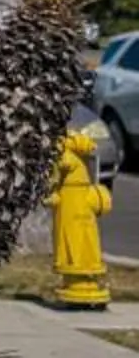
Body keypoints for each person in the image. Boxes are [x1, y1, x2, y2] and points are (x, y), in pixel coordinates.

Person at [52, 129, 113, 310]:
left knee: (77, 237)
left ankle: (80, 276)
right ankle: (81, 277)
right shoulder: (75, 159)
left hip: (74, 199)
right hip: (78, 198)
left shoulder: (66, 158)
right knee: (85, 237)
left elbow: (56, 173)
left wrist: (51, 189)